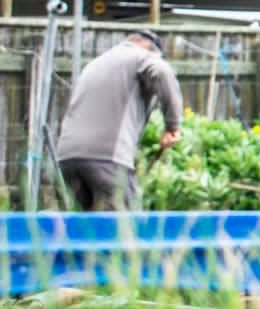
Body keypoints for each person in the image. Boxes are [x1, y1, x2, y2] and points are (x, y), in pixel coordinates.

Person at [55, 28, 183, 210]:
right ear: (151, 49)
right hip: (107, 160)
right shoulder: (141, 56)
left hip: (67, 160)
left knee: (84, 232)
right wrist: (173, 127)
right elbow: (162, 72)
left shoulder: (96, 63)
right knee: (124, 229)